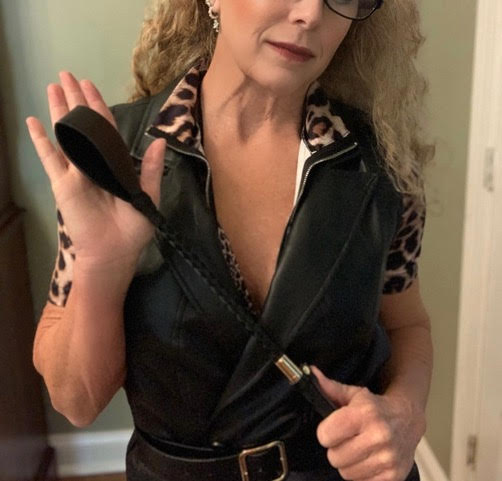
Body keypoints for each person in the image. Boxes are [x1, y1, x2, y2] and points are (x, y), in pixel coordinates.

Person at [28, 0, 434, 479]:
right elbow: (77, 401)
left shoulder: (383, 170)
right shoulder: (116, 155)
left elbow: (408, 325)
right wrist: (101, 265)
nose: (310, 14)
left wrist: (406, 412)